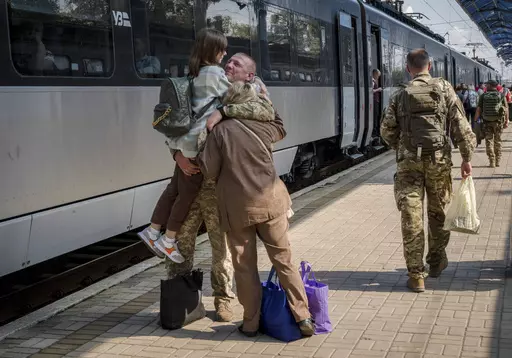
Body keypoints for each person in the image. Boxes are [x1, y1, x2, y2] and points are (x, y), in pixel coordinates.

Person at [197, 66, 315, 337]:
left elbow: (209, 170)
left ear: (228, 103)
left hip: (238, 209)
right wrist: (266, 101)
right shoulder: (265, 126)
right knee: (284, 260)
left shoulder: (220, 132)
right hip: (271, 203)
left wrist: (207, 137)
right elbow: (280, 126)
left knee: (244, 267)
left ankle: (251, 323)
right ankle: (303, 317)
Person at [164, 53, 274, 323]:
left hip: (217, 187)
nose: (228, 66)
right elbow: (173, 125)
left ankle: (223, 299)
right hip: (189, 183)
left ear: (246, 74)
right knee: (180, 243)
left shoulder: (242, 94)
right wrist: (175, 154)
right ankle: (180, 300)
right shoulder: (195, 89)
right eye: (227, 63)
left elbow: (267, 112)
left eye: (235, 64)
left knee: (221, 248)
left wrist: (224, 111)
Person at [380, 49, 476, 293]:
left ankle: (416, 275)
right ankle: (435, 263)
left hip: (409, 163)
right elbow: (460, 126)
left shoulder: (400, 94)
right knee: (438, 213)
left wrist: (402, 148)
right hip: (439, 162)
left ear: (408, 68)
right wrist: (466, 158)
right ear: (429, 66)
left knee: (411, 216)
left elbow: (387, 131)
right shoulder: (444, 89)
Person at [474, 79, 509, 167]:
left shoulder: (483, 96)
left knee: (489, 141)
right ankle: (497, 161)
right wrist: (506, 121)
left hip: (486, 122)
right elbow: (506, 109)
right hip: (498, 122)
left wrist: (475, 121)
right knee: (498, 141)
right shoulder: (501, 95)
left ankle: (492, 161)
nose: (485, 86)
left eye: (487, 85)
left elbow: (478, 109)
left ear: (490, 85)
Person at [372, 69, 383, 136]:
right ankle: (374, 132)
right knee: (375, 116)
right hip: (374, 101)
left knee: (376, 116)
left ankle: (375, 131)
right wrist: (378, 89)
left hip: (375, 101)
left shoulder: (374, 80)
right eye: (378, 75)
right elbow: (371, 91)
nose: (378, 77)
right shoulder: (372, 81)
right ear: (375, 74)